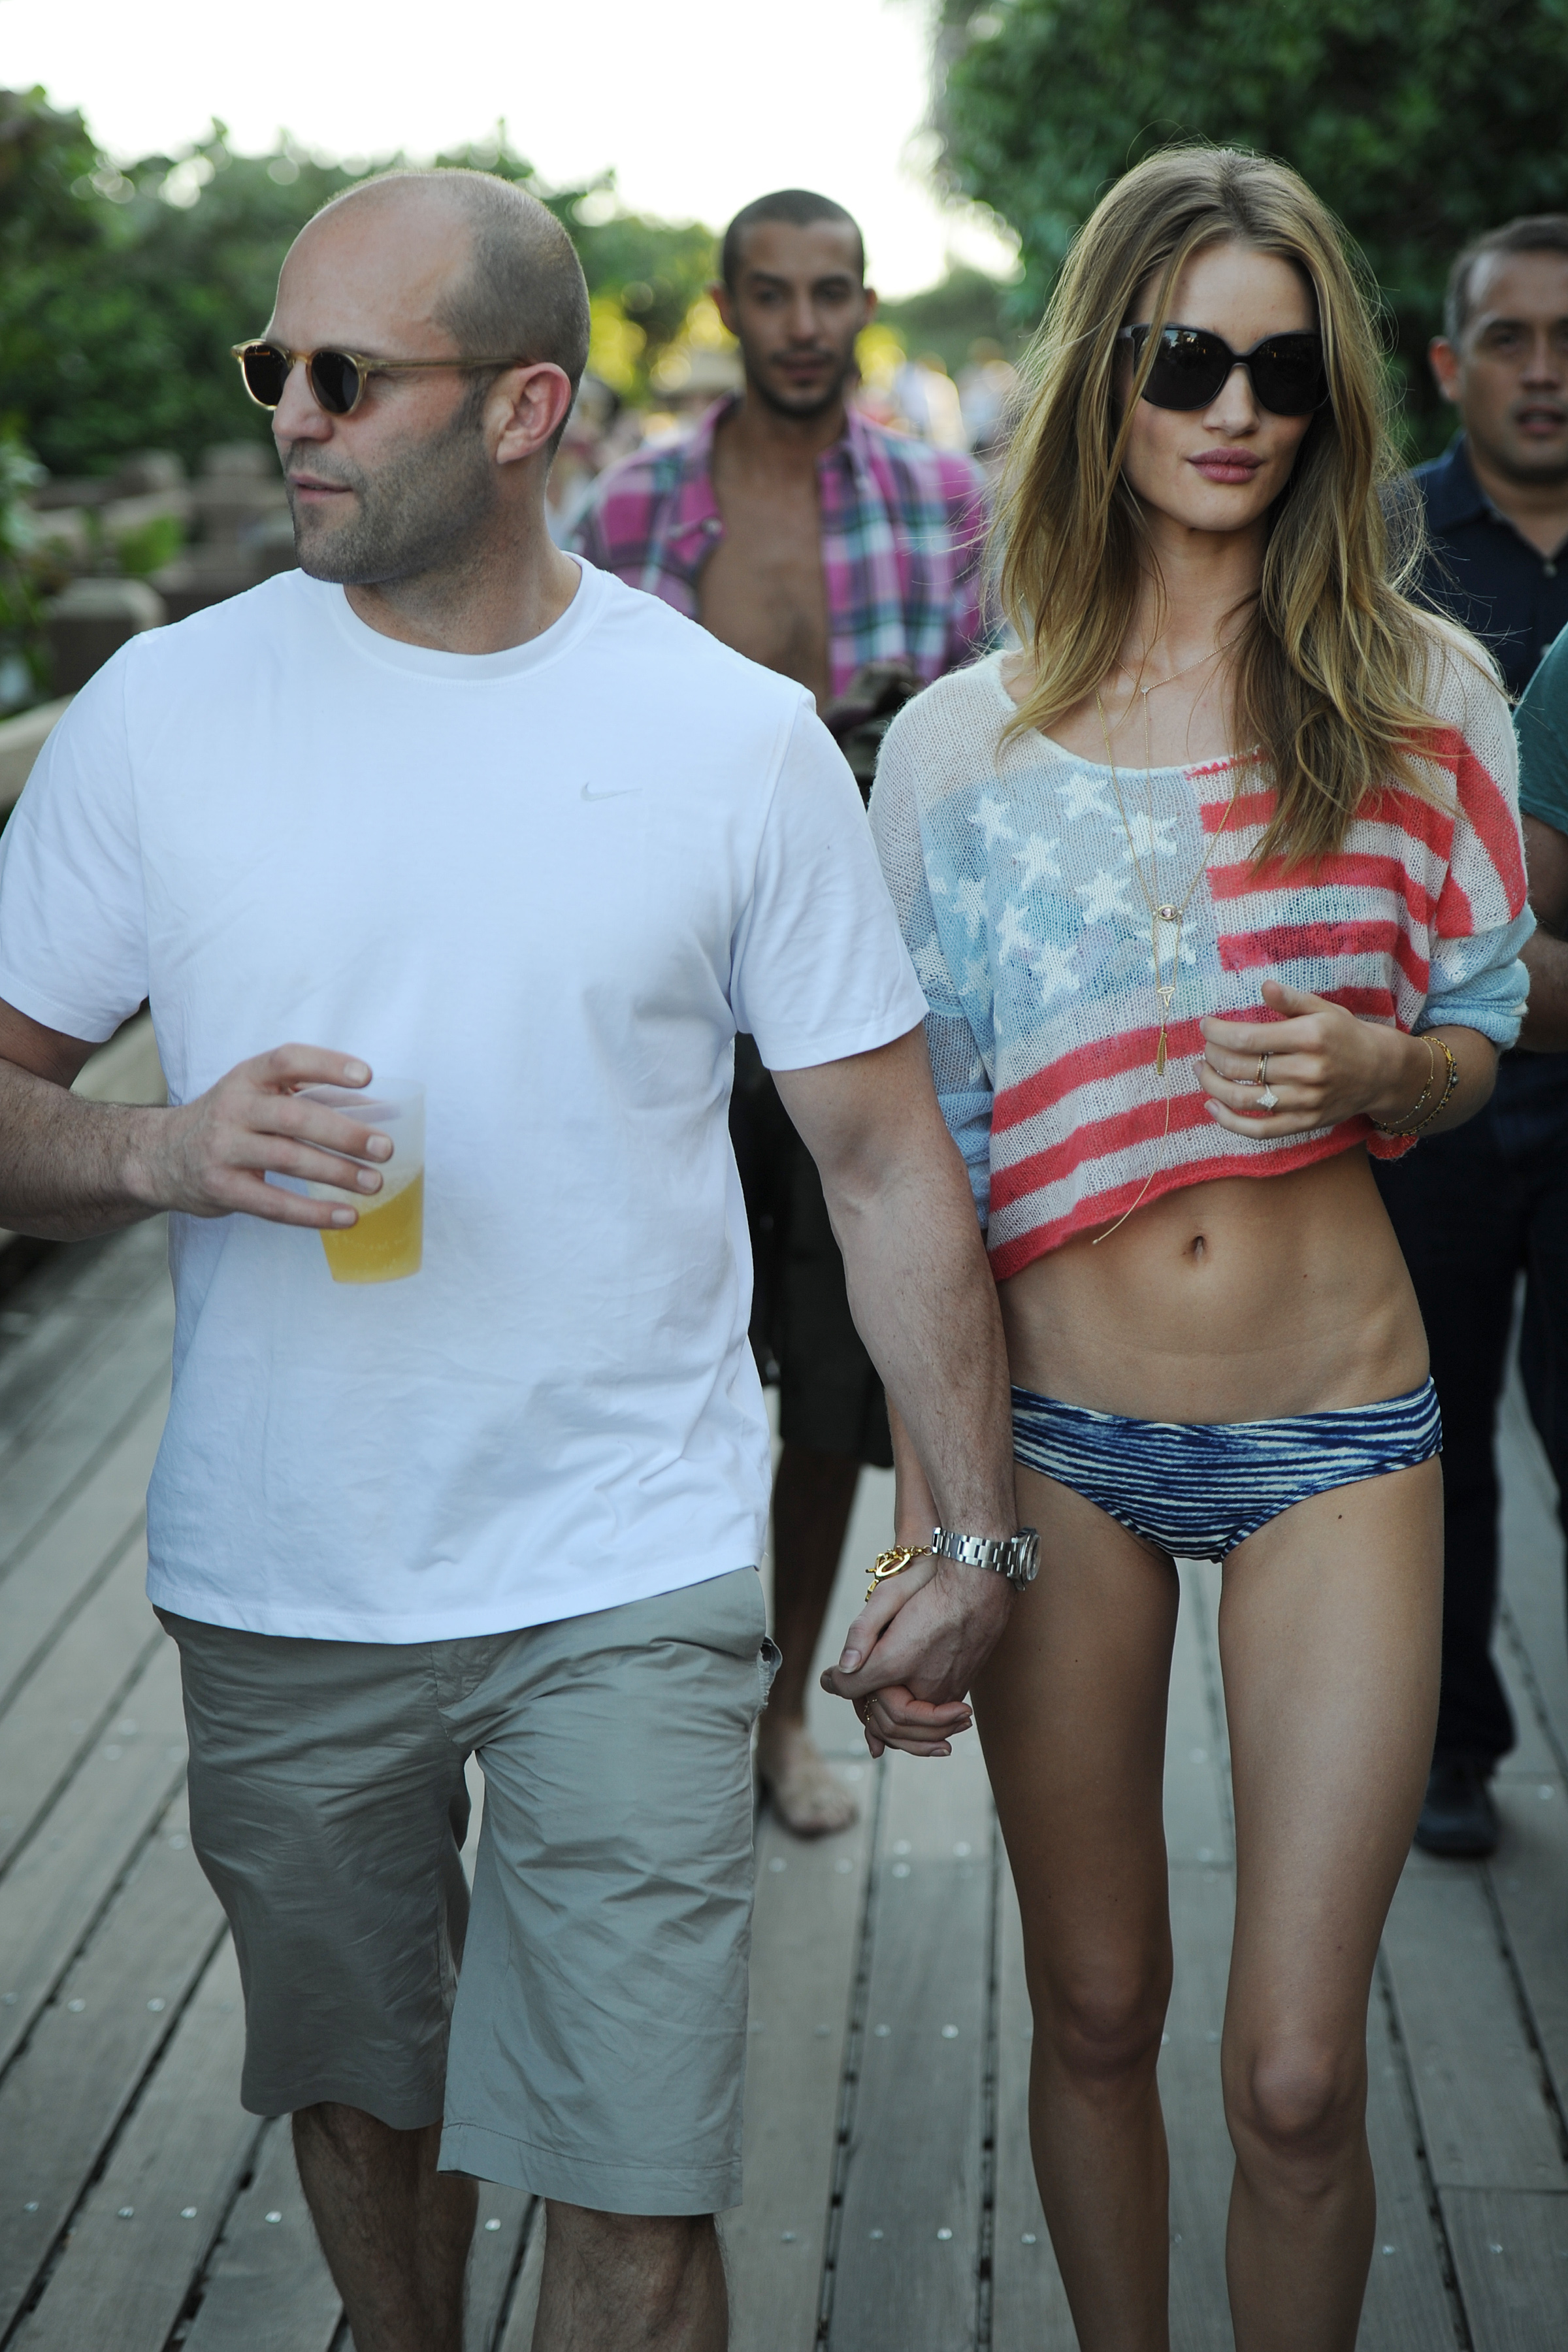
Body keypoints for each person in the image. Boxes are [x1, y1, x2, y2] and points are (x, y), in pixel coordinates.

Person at [0, 169, 1027, 2352]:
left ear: (525, 408)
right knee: (367, 2103)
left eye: (346, 375)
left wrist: (967, 1528)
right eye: (273, 367)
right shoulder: (162, 716)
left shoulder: (729, 737)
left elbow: (881, 1163)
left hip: (631, 1559)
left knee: (634, 2178)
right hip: (284, 1563)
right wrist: (162, 1145)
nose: (292, 413)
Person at [825, 147, 1531, 2348]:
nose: (1237, 410)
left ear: (1335, 401)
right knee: (1101, 2005)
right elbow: (916, 1183)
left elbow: (1483, 1037)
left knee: (1301, 2078)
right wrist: (937, 1534)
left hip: (1343, 1428)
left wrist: (1387, 1070)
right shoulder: (961, 746)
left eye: (1285, 372)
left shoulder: (1423, 694)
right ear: (1101, 377)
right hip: (1062, 1449)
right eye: (1188, 360)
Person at [571, 189, 990, 1835]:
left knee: (827, 1389)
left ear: (865, 303)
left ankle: (775, 1721)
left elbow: (993, 757)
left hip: (860, 1007)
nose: (804, 324)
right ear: (729, 306)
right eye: (772, 293)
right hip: (665, 1008)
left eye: (831, 293)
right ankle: (634, 1728)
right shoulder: (630, 508)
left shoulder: (946, 505)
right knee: (645, 1362)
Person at [1375, 215, 1568, 1856]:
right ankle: (1447, 1744)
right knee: (1432, 1422)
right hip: (1426, 1074)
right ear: (1450, 364)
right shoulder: (1385, 547)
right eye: (1512, 336)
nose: (1547, 369)